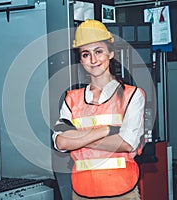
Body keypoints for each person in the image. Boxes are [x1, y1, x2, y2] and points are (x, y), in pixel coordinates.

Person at [52, 19, 146, 200]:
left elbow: (127, 143)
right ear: (80, 59)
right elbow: (61, 143)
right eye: (86, 54)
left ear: (111, 53)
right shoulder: (71, 99)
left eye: (99, 51)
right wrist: (108, 130)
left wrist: (78, 138)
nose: (93, 60)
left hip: (122, 194)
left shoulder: (132, 95)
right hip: (81, 194)